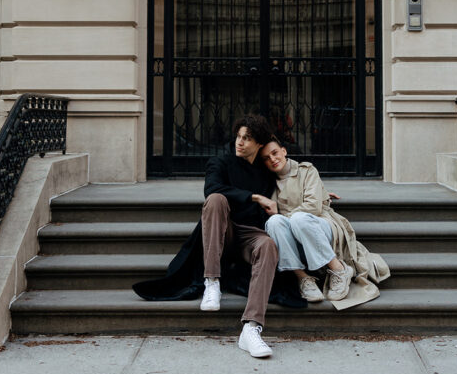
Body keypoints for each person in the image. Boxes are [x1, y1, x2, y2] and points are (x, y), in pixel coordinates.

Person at [133, 114, 304, 358]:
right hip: (222, 228)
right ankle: (211, 281)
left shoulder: (265, 172)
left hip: (250, 234)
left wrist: (317, 192)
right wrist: (255, 197)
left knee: (267, 245)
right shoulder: (220, 163)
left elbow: (292, 182)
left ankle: (251, 328)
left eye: (247, 138)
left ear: (258, 144)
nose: (240, 142)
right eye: (238, 136)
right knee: (215, 200)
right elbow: (211, 189)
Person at [260, 138, 390, 309]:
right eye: (266, 158)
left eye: (275, 153)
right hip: (296, 237)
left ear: (284, 151)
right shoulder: (268, 183)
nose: (272, 159)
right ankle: (303, 279)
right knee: (275, 222)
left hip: (321, 226)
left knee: (299, 218)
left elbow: (312, 207)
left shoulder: (306, 170)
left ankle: (338, 269)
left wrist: (316, 196)